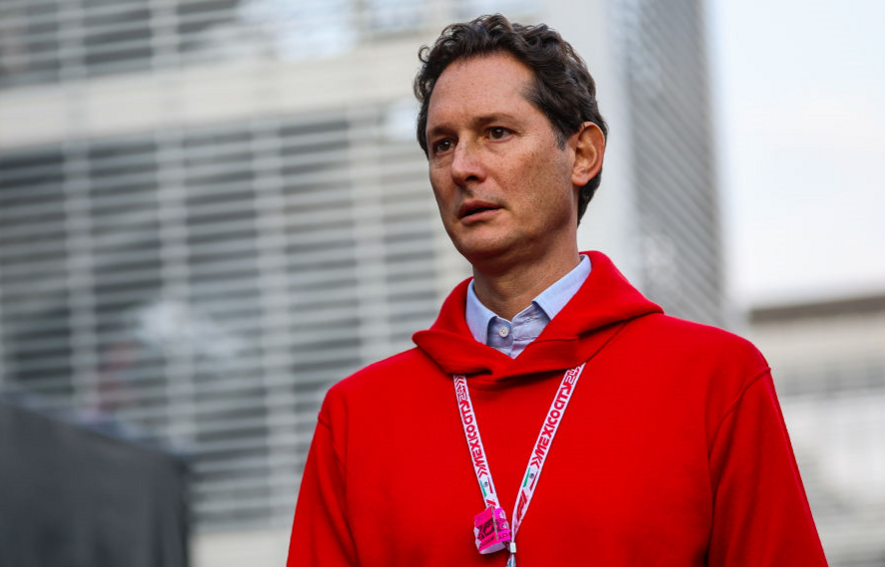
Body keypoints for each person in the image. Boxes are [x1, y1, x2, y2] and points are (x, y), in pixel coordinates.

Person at [287, 14, 827, 567]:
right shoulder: (357, 419)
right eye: (442, 144)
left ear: (583, 154)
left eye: (496, 132)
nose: (464, 167)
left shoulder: (715, 380)